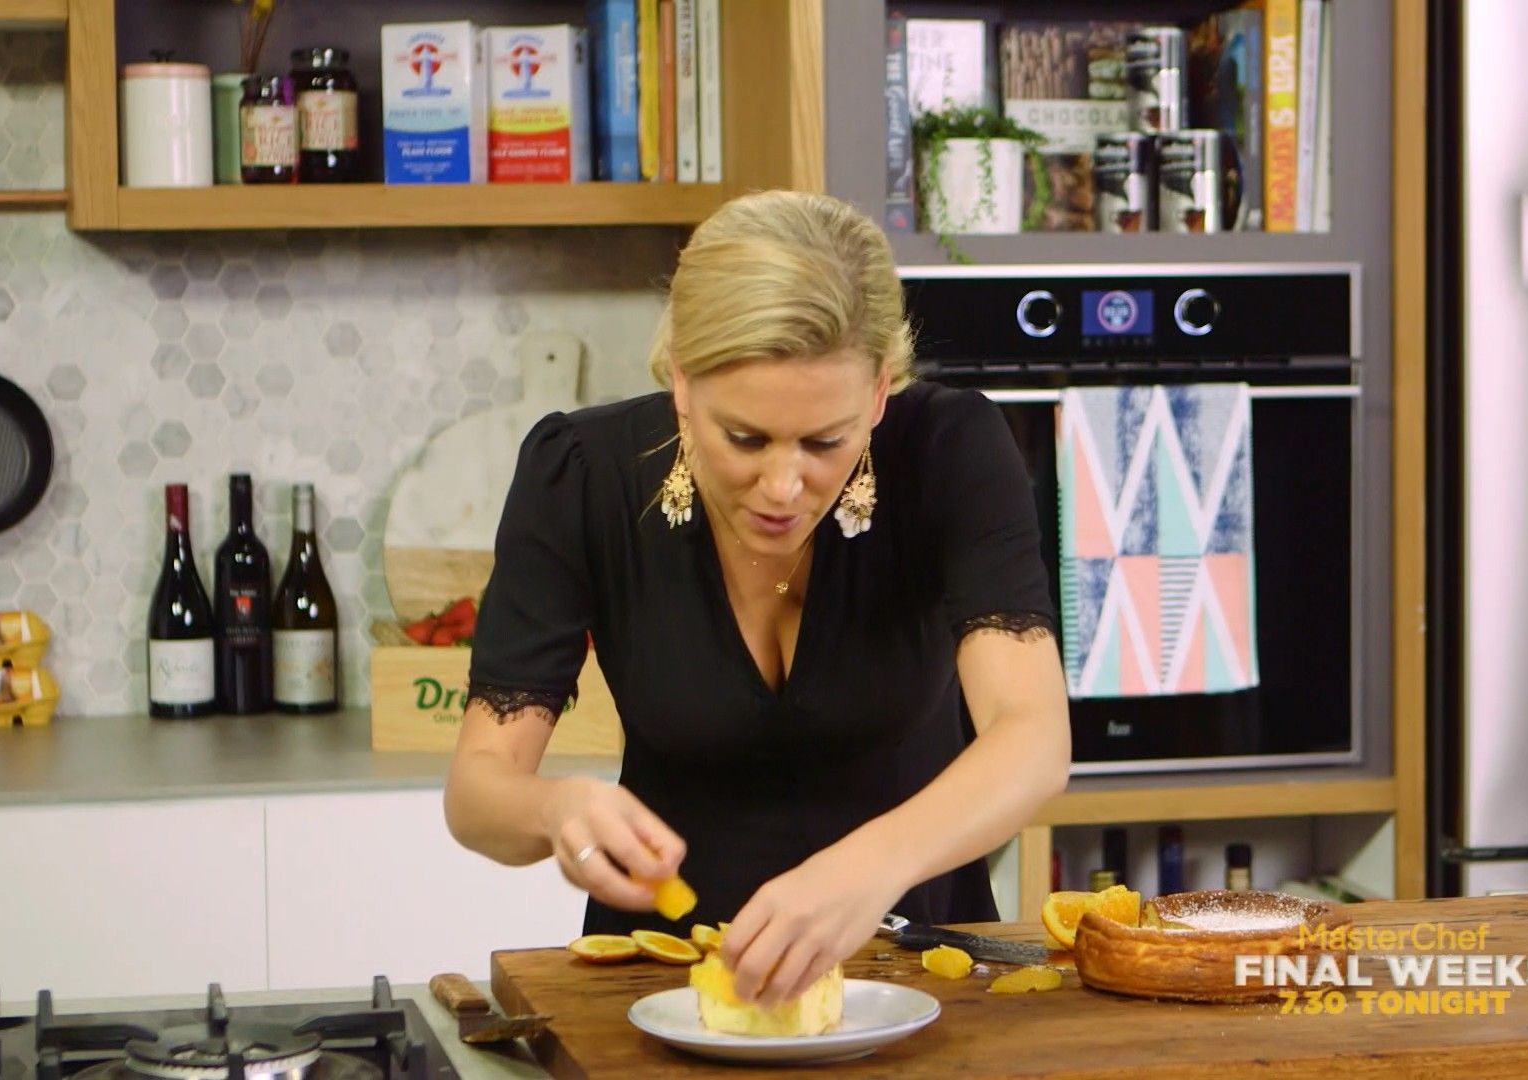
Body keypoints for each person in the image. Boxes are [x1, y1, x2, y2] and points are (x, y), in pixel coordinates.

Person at [444, 189, 1070, 1007]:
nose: (782, 486)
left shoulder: (950, 453)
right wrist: (555, 809)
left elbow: (1033, 736)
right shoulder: (583, 475)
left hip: (916, 972)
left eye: (825, 441)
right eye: (744, 438)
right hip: (664, 985)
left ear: (878, 394)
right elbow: (477, 793)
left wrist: (869, 868)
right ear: (681, 382)